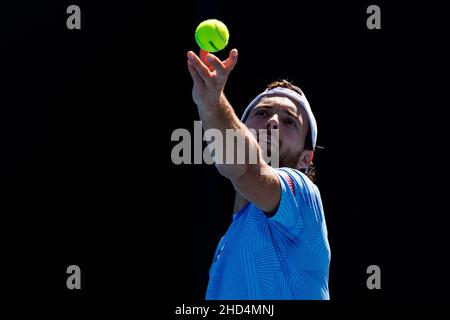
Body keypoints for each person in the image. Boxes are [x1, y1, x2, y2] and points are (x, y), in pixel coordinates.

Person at [186, 48, 331, 300]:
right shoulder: (226, 244)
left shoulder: (304, 197)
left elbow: (246, 168)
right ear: (241, 129)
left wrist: (212, 103)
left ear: (306, 159)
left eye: (290, 122)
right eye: (262, 113)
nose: (273, 121)